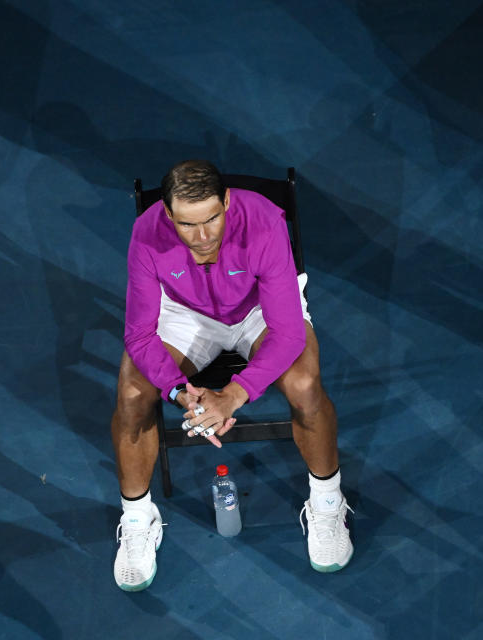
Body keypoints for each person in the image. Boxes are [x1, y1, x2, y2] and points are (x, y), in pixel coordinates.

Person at [110, 160, 353, 591]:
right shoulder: (147, 233)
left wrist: (235, 394)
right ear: (168, 215)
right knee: (132, 392)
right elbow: (139, 333)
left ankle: (328, 503)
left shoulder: (262, 221)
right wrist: (179, 390)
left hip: (257, 309)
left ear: (226, 201)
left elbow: (288, 332)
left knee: (304, 384)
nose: (204, 237)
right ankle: (137, 518)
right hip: (184, 314)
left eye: (212, 219)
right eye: (188, 225)